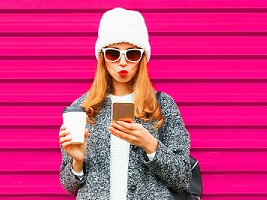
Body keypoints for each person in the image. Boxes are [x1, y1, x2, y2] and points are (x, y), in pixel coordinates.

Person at [59, 7, 191, 200]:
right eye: (113, 54)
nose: (122, 63)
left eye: (132, 54)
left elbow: (182, 178)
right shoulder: (83, 108)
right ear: (102, 58)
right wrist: (77, 162)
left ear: (142, 58)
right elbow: (69, 187)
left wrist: (151, 145)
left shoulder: (162, 106)